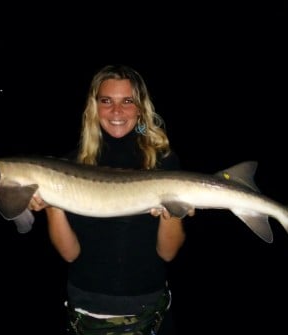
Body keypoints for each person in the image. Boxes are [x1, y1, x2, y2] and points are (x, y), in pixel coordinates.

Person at [29, 64, 193, 334]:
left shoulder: (163, 162)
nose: (116, 111)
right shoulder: (70, 164)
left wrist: (171, 213)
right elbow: (70, 254)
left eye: (127, 101)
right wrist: (51, 202)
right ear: (94, 107)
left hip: (150, 310)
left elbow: (168, 252)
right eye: (106, 101)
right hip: (86, 309)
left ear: (140, 108)